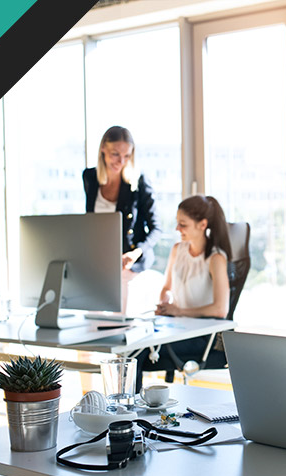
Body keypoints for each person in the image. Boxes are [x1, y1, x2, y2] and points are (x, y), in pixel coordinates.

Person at [135, 194, 232, 390]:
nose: (177, 229)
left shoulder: (215, 259)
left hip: (202, 336)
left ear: (202, 225)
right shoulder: (177, 249)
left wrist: (179, 311)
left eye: (183, 224)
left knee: (137, 354)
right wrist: (165, 304)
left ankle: (126, 411)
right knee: (131, 346)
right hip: (176, 328)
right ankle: (126, 409)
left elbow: (220, 309)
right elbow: (166, 288)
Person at [83, 126, 163, 273]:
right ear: (103, 149)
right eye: (115, 154)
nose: (121, 161)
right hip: (100, 258)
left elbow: (156, 228)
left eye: (127, 156)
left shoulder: (139, 181)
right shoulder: (90, 178)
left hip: (130, 262)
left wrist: (136, 252)